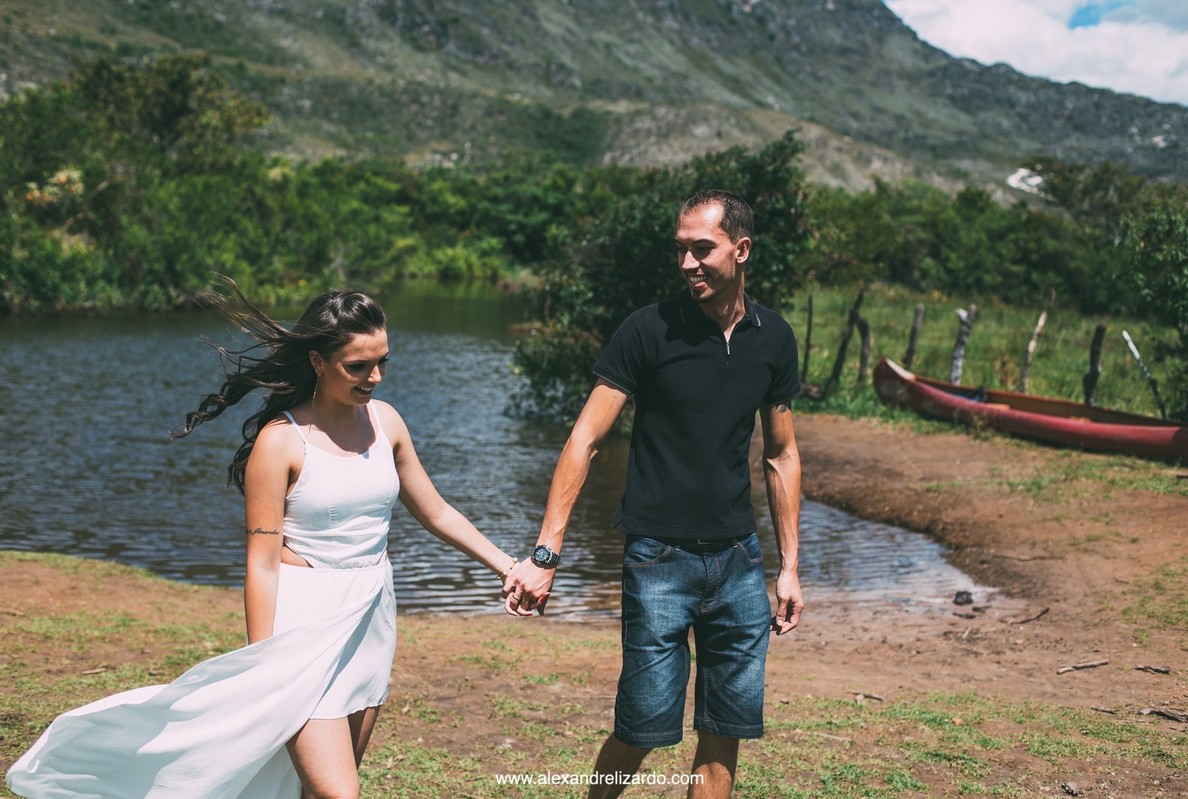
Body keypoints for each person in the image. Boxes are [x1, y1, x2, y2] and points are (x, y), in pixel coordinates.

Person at [7, 280, 517, 799]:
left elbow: (435, 510)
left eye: (382, 361)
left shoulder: (386, 423)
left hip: (371, 614)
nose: (375, 377)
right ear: (318, 361)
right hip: (303, 624)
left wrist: (508, 566)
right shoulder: (281, 443)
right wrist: (262, 663)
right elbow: (263, 563)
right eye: (358, 366)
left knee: (313, 790)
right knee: (341, 793)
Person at [503, 189, 805, 799]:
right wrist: (546, 552)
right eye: (681, 251)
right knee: (641, 727)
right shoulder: (648, 330)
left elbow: (781, 454)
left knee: (725, 729)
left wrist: (790, 567)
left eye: (703, 249)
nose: (688, 263)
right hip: (657, 559)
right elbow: (584, 439)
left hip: (741, 563)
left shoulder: (772, 337)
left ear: (741, 250)